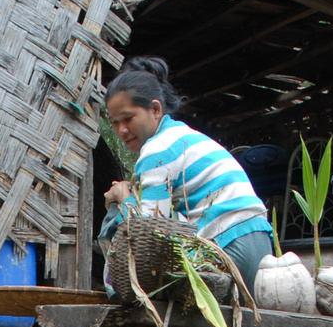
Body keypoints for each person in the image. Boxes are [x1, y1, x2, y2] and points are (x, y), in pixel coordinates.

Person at [100, 56, 274, 290]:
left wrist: (124, 198)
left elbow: (152, 234)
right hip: (260, 243)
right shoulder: (180, 135)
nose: (122, 130)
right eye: (114, 122)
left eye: (129, 118)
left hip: (232, 247)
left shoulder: (157, 150)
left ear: (155, 109)